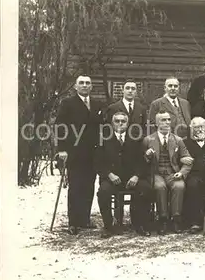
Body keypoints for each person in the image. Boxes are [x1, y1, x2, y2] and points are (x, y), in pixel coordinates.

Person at [55, 74, 105, 235]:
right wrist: (61, 149)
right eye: (81, 83)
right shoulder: (68, 103)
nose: (85, 85)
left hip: (93, 152)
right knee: (76, 186)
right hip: (75, 151)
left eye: (88, 83)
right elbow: (60, 127)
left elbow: (101, 127)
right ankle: (73, 222)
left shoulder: (97, 104)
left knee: (89, 186)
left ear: (91, 87)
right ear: (75, 86)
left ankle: (84, 219)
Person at [95, 112, 153, 238]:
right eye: (117, 121)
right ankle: (109, 226)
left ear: (128, 124)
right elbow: (98, 162)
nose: (120, 124)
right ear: (112, 123)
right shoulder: (104, 139)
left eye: (123, 121)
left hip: (131, 178)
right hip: (112, 178)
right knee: (103, 192)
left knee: (146, 188)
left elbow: (142, 161)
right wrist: (109, 175)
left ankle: (140, 224)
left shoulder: (136, 139)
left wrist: (136, 176)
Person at [143, 110, 193, 234]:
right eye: (163, 120)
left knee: (179, 186)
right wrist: (147, 156)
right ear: (156, 123)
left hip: (172, 172)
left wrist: (181, 173)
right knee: (160, 187)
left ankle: (176, 219)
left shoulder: (178, 140)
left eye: (168, 120)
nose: (167, 123)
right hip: (156, 173)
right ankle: (163, 219)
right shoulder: (148, 140)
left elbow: (188, 160)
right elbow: (142, 162)